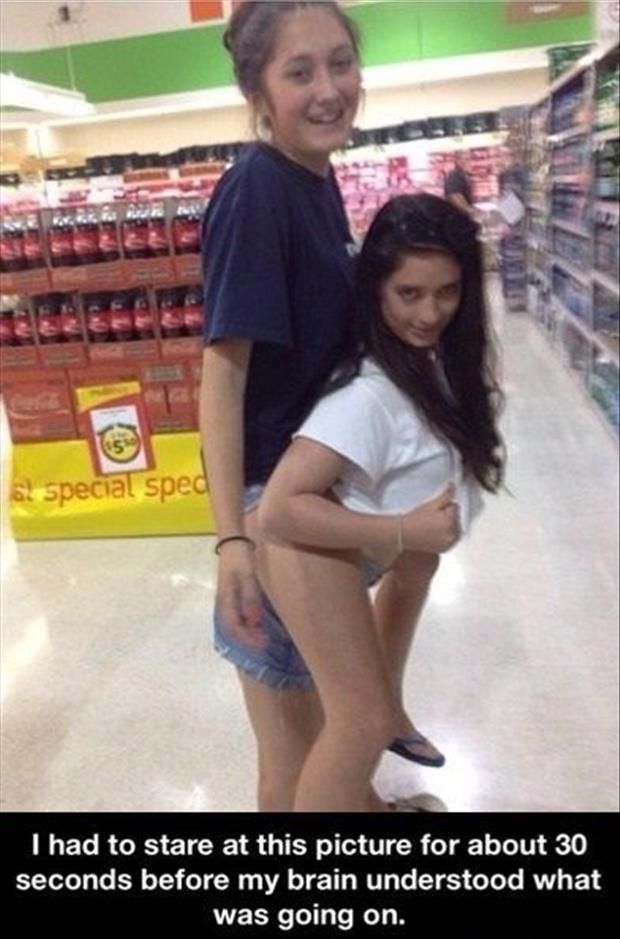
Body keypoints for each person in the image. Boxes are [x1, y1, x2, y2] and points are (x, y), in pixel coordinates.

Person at [200, 1, 434, 813]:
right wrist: (232, 538)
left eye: (341, 62)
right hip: (274, 501)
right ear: (258, 91)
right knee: (318, 740)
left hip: (304, 487)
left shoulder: (314, 178)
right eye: (299, 71)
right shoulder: (257, 190)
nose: (330, 88)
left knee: (303, 738)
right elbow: (222, 375)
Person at [256, 192, 505, 811]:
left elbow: (414, 564)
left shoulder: (431, 366)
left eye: (447, 292)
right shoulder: (368, 397)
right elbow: (281, 508)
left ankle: (385, 723)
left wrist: (413, 541)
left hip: (345, 550)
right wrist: (403, 529)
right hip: (299, 547)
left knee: (366, 709)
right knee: (348, 729)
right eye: (409, 293)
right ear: (376, 290)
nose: (430, 313)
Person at [444, 149, 478, 222]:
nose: (467, 162)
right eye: (464, 159)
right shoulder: (454, 175)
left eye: (468, 159)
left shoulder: (463, 175)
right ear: (456, 160)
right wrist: (469, 210)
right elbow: (454, 196)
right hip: (458, 218)